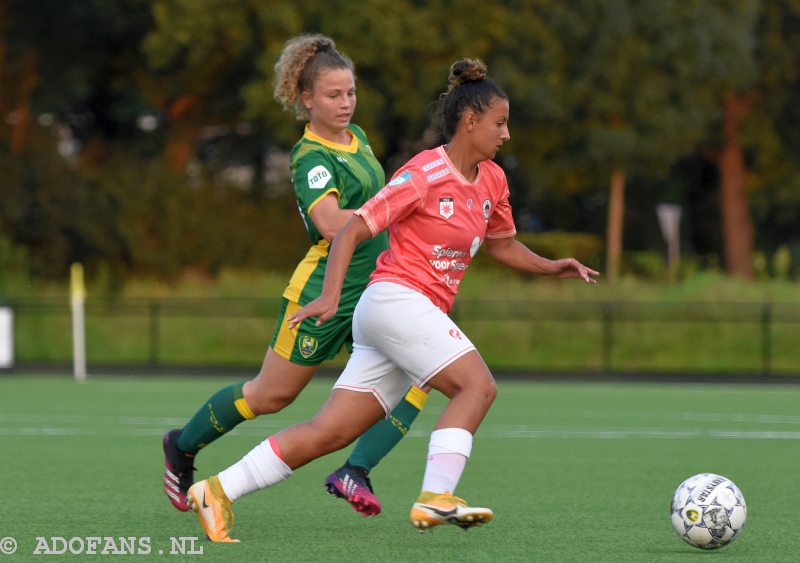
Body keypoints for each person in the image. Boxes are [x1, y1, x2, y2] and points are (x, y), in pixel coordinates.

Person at [186, 58, 599, 542]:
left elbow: (503, 243)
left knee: (329, 433)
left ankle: (216, 490)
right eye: (500, 123)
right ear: (470, 122)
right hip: (394, 301)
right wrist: (331, 296)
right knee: (477, 388)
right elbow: (352, 229)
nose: (506, 135)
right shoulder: (424, 172)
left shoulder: (493, 181)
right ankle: (435, 497)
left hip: (406, 316)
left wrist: (553, 265)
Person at [163, 33, 430, 519]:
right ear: (307, 99)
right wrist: (398, 210)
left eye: (350, 92)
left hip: (375, 290)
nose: (346, 103)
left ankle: (356, 470)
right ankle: (181, 447)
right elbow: (330, 224)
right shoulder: (310, 157)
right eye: (334, 95)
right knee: (272, 395)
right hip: (322, 291)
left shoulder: (359, 138)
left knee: (419, 374)